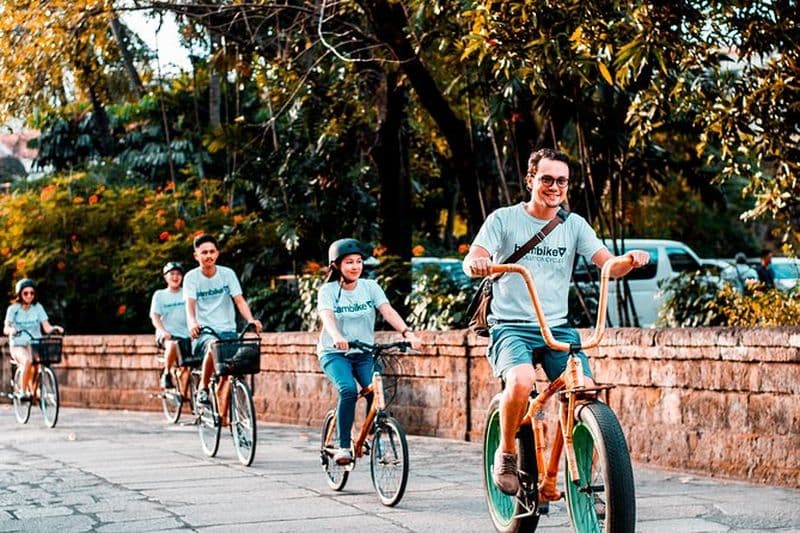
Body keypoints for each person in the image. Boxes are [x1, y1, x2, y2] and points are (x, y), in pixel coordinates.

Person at [462, 148, 650, 495]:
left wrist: (630, 260)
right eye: (547, 179)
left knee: (584, 390)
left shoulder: (574, 224)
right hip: (510, 326)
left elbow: (608, 264)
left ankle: (553, 476)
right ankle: (505, 454)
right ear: (531, 180)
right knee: (519, 381)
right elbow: (476, 255)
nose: (554, 186)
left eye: (561, 181)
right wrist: (477, 263)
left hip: (556, 329)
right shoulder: (503, 220)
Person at [317, 238, 420, 465]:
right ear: (336, 266)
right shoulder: (328, 291)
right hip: (335, 353)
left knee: (376, 392)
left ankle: (373, 437)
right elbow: (327, 315)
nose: (355, 266)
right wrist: (336, 336)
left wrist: (407, 333)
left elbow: (387, 310)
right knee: (348, 391)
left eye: (359, 261)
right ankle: (344, 445)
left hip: (364, 352)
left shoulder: (370, 287)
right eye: (349, 262)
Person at [184, 234, 262, 407]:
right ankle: (203, 389)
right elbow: (190, 305)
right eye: (204, 252)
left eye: (212, 251)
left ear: (217, 254)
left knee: (230, 368)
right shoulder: (191, 277)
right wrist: (192, 323)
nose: (208, 255)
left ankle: (223, 410)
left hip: (227, 329)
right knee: (214, 345)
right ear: (196, 256)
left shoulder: (227, 274)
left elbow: (239, 300)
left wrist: (251, 320)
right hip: (205, 331)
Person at [3, 279, 63, 399]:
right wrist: (12, 330)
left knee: (39, 362)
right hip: (18, 344)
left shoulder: (38, 308)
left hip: (35, 344)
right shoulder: (13, 309)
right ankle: (23, 391)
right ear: (19, 294)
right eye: (26, 293)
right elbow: (6, 328)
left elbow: (46, 327)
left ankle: (34, 390)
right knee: (27, 360)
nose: (29, 296)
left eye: (32, 293)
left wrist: (55, 328)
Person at [150, 262, 191, 389]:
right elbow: (155, 316)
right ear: (165, 277)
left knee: (188, 365)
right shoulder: (160, 295)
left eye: (178, 274)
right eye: (172, 274)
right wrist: (162, 331)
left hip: (186, 335)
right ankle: (166, 373)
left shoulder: (187, 293)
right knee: (173, 344)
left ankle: (185, 394)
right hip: (168, 336)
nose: (175, 277)